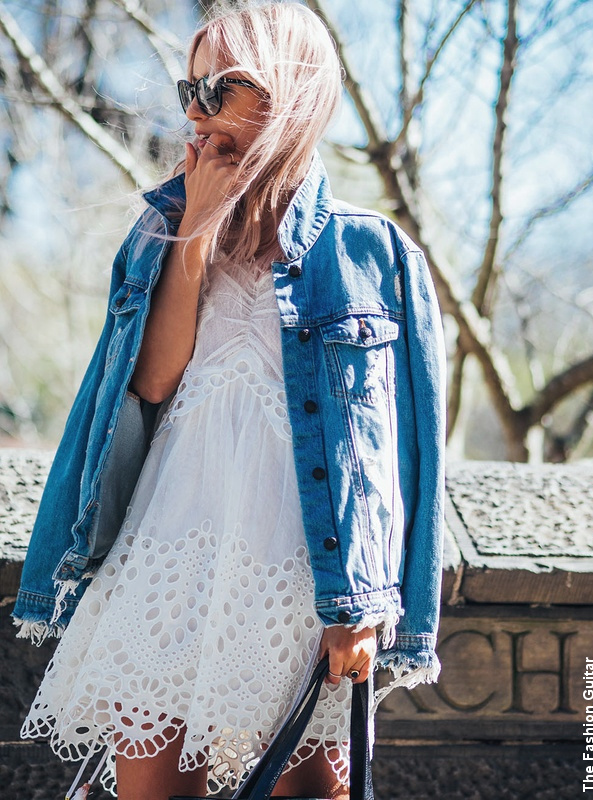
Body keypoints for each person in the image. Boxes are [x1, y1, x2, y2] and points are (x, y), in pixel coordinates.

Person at [13, 3, 446, 799]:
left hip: (305, 578)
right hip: (168, 560)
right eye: (193, 88)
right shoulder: (159, 233)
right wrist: (198, 231)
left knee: (313, 790)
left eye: (225, 88)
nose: (196, 111)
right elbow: (152, 385)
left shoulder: (374, 253)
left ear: (292, 94)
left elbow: (401, 459)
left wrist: (365, 603)